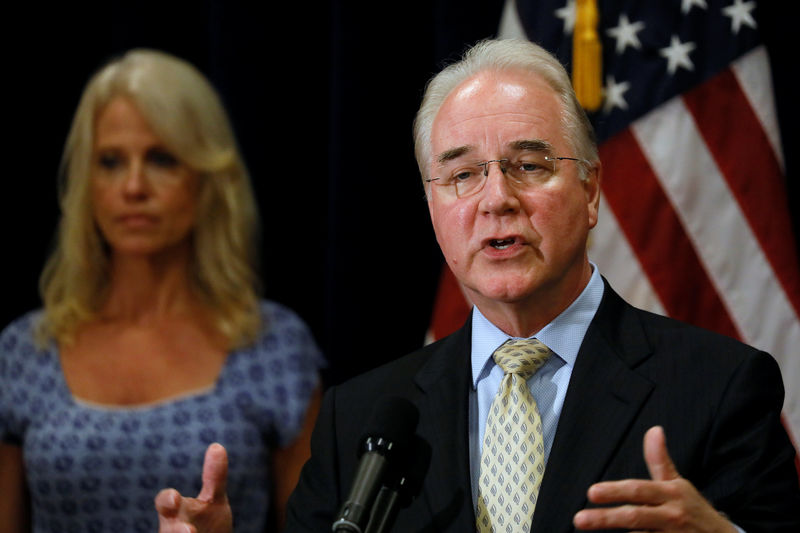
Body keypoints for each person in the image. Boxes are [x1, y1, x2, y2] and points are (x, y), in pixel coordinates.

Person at [156, 39, 800, 532]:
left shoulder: (720, 387)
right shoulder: (356, 421)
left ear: (592, 189)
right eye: (461, 175)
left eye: (529, 165)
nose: (497, 199)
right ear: (432, 206)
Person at [0, 49, 324, 533]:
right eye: (110, 162)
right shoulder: (25, 351)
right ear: (87, 184)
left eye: (161, 159)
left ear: (208, 178)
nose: (133, 186)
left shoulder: (274, 347)